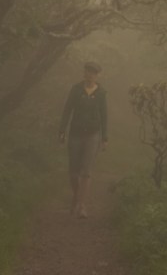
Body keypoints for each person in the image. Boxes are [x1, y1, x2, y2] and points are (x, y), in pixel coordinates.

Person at [58, 61, 108, 218]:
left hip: (93, 135)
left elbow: (104, 115)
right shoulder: (76, 89)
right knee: (74, 173)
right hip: (75, 134)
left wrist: (105, 138)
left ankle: (81, 205)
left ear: (97, 75)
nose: (90, 75)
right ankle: (76, 196)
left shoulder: (101, 93)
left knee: (86, 172)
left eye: (93, 72)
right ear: (84, 73)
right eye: (88, 71)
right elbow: (67, 110)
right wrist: (62, 130)